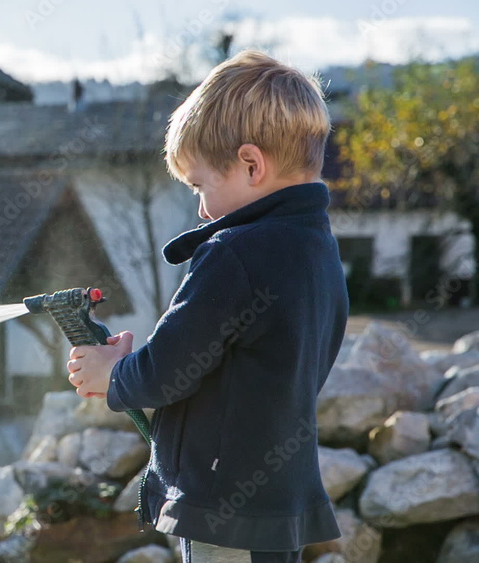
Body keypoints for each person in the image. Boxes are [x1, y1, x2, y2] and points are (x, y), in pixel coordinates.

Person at [65, 50, 348, 563]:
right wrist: (128, 368)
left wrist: (113, 373)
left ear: (251, 164)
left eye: (200, 186)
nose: (200, 209)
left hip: (225, 506)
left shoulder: (234, 253)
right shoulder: (319, 250)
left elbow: (167, 372)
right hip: (279, 502)